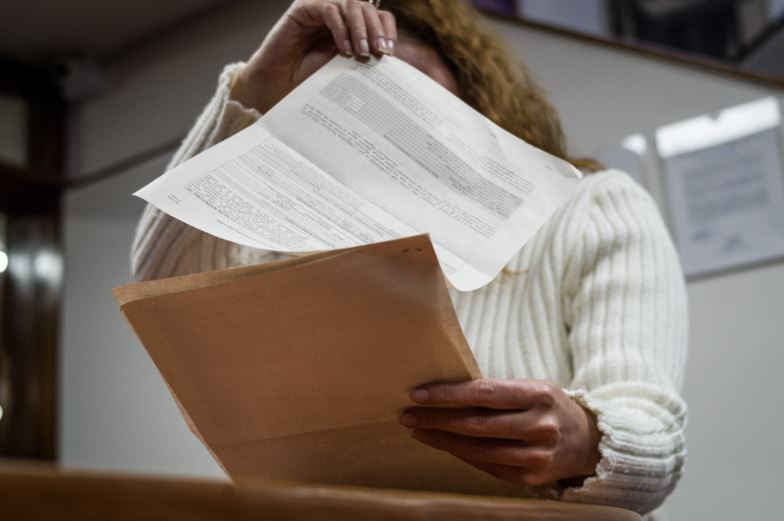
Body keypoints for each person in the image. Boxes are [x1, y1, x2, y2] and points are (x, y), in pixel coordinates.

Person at [131, 1, 688, 519]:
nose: (376, 127)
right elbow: (163, 284)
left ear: (471, 97)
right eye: (329, 105)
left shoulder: (591, 206)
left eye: (399, 92)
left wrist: (587, 440)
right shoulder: (288, 240)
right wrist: (253, 90)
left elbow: (654, 432)